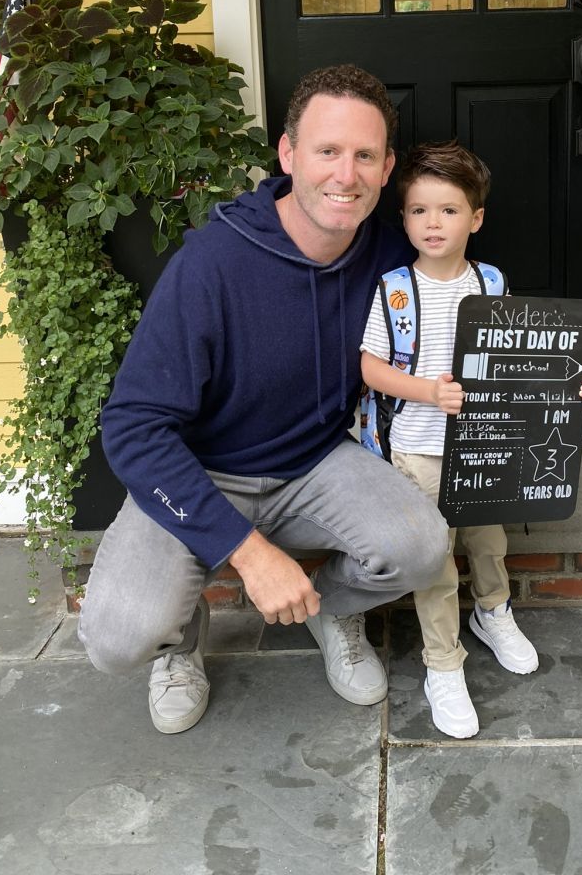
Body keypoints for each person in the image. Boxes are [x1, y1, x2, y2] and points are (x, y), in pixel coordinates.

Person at [77, 65, 449, 734]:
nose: (345, 175)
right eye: (327, 151)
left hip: (314, 463)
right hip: (202, 470)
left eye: (365, 155)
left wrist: (561, 366)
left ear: (387, 166)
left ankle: (330, 610)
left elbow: (460, 312)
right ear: (287, 154)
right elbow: (133, 426)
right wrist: (249, 553)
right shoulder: (212, 263)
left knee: (421, 546)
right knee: (117, 637)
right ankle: (180, 642)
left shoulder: (391, 252)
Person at [360, 141, 582, 738]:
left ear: (476, 218)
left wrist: (575, 376)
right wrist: (426, 392)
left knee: (489, 541)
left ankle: (493, 614)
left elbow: (520, 353)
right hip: (417, 448)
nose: (433, 223)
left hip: (487, 445)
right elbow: (368, 365)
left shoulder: (491, 281)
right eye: (419, 211)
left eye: (448, 210)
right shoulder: (395, 289)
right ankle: (442, 662)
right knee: (436, 560)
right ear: (405, 218)